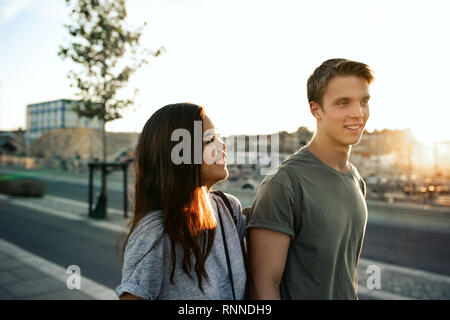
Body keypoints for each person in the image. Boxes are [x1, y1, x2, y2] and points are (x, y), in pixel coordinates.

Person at [247, 58, 374, 300]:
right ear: (316, 109)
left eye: (364, 101)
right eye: (343, 103)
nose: (358, 113)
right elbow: (263, 286)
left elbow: (347, 274)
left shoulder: (356, 180)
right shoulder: (284, 182)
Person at [116, 103, 247, 300]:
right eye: (209, 140)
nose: (222, 145)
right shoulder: (155, 232)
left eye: (218, 136)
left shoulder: (229, 209)